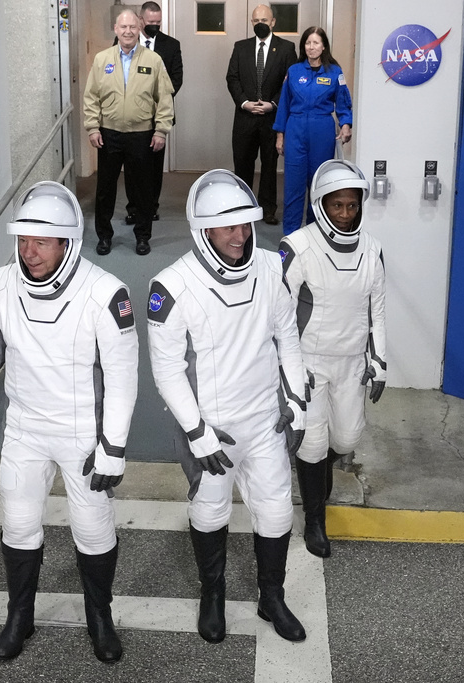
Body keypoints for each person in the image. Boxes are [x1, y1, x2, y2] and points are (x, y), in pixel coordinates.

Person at [0, 181, 138, 663]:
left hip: (83, 434)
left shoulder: (105, 293)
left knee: (93, 530)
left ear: (66, 243)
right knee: (17, 525)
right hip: (26, 430)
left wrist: (113, 447)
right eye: (22, 241)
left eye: (40, 242)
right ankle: (21, 615)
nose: (28, 252)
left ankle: (100, 617)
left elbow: (122, 378)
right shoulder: (3, 284)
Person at [147, 169, 309, 644]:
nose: (239, 236)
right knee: (210, 511)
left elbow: (288, 339)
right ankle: (212, 594)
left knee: (277, 512)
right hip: (210, 431)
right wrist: (197, 433)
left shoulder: (270, 267)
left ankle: (271, 597)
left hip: (264, 421)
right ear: (203, 229)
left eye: (245, 225)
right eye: (228, 227)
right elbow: (167, 370)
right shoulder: (170, 285)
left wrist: (297, 400)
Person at [278, 159, 386, 557]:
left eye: (352, 206)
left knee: (346, 438)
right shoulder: (297, 247)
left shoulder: (372, 250)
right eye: (337, 205)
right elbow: (281, 316)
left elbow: (378, 311)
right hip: (310, 363)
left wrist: (380, 361)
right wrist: (287, 372)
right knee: (311, 443)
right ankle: (314, 520)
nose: (345, 214)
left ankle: (317, 475)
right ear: (321, 205)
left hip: (352, 363)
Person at [84, 9, 175, 257]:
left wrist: (161, 131)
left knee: (143, 189)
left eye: (132, 27)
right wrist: (92, 126)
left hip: (142, 135)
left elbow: (164, 99)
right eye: (123, 27)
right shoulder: (102, 59)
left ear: (139, 29)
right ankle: (104, 236)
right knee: (105, 189)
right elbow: (91, 96)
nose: (128, 31)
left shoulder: (153, 60)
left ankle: (143, 236)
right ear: (116, 29)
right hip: (109, 134)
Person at [273, 26, 353, 235]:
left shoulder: (335, 72)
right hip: (295, 130)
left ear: (324, 46)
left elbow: (343, 103)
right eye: (308, 43)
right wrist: (280, 135)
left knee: (318, 185)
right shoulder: (294, 71)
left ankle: (315, 233)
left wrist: (345, 124)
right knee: (293, 186)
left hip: (322, 131)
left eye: (315, 42)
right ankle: (291, 235)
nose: (311, 47)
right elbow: (284, 105)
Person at [226, 5, 297, 226]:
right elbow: (232, 78)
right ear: (251, 22)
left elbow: (290, 82)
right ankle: (244, 206)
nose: (260, 24)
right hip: (245, 117)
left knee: (269, 165)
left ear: (273, 22)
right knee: (243, 164)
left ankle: (267, 209)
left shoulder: (286, 48)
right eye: (256, 21)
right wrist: (245, 103)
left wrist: (273, 104)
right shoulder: (241, 47)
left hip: (271, 118)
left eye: (264, 20)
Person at [124, 1, 183, 225]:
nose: (154, 26)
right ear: (141, 21)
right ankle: (133, 208)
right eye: (150, 23)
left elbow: (177, 79)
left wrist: (156, 101)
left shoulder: (171, 45)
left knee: (153, 166)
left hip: (158, 115)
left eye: (158, 23)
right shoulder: (126, 42)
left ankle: (151, 206)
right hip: (130, 117)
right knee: (131, 165)